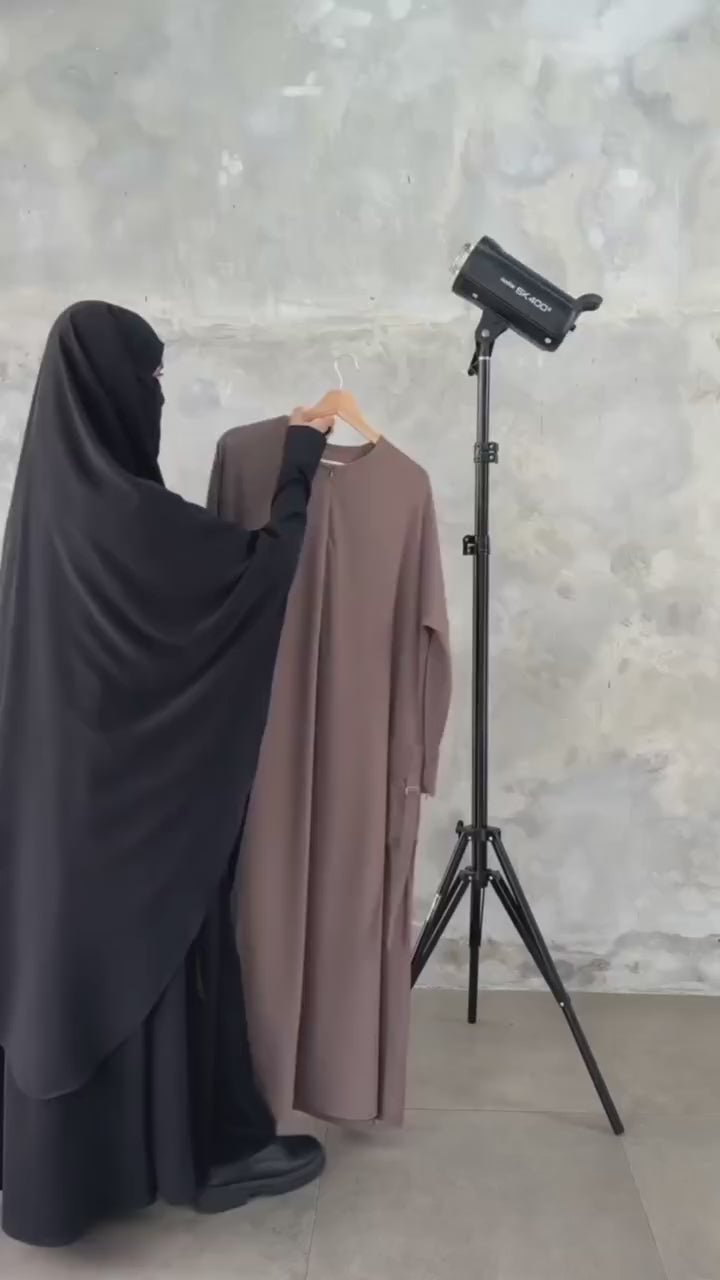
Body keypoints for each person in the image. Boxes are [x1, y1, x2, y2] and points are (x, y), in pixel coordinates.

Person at [0, 301, 333, 1246]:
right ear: (110, 386)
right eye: (147, 379)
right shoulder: (127, 514)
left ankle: (59, 1178)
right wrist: (300, 466)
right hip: (128, 813)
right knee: (156, 941)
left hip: (53, 808)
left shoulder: (43, 507)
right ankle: (202, 1156)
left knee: (64, 965)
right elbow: (256, 576)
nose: (153, 397)